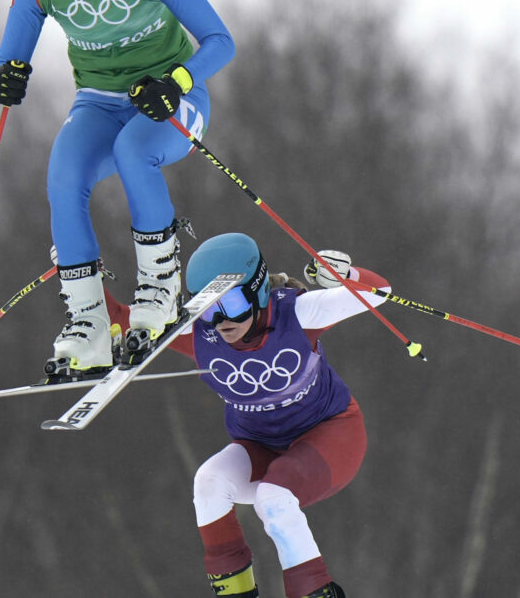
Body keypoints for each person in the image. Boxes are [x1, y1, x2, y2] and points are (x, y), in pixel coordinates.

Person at [0, 0, 234, 379]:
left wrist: (177, 81)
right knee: (64, 176)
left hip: (171, 98)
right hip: (99, 103)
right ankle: (90, 323)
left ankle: (160, 290)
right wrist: (5, 74)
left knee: (133, 150)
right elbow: (9, 57)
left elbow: (221, 41)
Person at [103, 233, 390, 598]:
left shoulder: (297, 314)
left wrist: (347, 275)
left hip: (330, 436)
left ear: (257, 292)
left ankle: (313, 592)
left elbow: (379, 293)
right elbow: (121, 319)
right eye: (208, 307)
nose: (221, 320)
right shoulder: (198, 335)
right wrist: (82, 275)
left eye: (233, 303)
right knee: (208, 483)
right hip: (261, 447)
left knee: (273, 496)